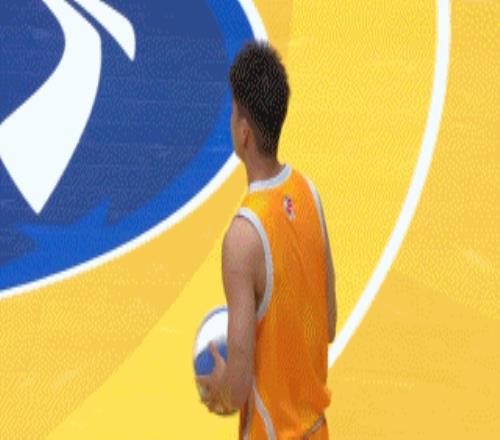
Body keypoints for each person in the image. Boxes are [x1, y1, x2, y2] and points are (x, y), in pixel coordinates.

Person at [197, 41, 337, 439]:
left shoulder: (242, 239)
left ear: (244, 133)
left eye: (233, 112)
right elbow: (327, 324)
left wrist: (220, 391)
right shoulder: (309, 194)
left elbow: (238, 386)